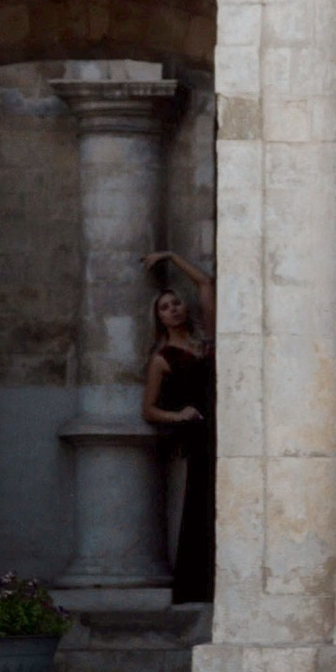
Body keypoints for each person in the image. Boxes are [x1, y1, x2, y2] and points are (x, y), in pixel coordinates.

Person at [140, 253, 215, 604]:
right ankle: (197, 589)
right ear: (159, 318)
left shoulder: (206, 340)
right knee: (201, 506)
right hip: (199, 434)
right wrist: (180, 415)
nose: (173, 310)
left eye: (176, 303)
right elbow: (149, 410)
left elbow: (205, 283)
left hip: (224, 429)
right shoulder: (162, 358)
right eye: (165, 308)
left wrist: (170, 256)